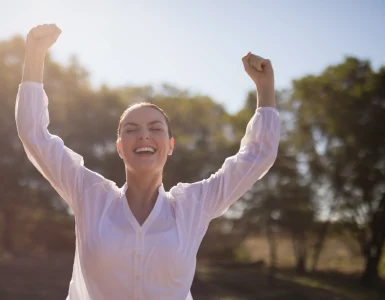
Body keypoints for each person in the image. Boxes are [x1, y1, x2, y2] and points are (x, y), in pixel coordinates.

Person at [15, 23, 280, 300]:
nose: (143, 135)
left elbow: (258, 155)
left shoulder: (193, 206)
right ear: (120, 147)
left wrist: (265, 89)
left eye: (155, 129)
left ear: (170, 146)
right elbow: (33, 135)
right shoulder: (90, 196)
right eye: (131, 130)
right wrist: (34, 53)